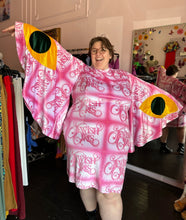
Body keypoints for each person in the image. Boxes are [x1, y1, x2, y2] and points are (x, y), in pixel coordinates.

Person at [2, 23, 182, 220]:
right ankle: (91, 214)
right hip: (82, 142)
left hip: (113, 146)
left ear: (111, 55)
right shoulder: (79, 71)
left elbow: (151, 97)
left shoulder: (126, 79)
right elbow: (52, 53)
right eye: (94, 50)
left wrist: (176, 106)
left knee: (110, 192)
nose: (98, 53)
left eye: (103, 49)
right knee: (86, 182)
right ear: (90, 54)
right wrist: (24, 31)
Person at [156, 65, 186, 155]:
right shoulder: (177, 82)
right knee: (181, 127)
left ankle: (163, 146)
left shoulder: (162, 80)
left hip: (164, 107)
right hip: (177, 108)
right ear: (176, 73)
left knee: (165, 126)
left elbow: (160, 69)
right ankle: (181, 148)